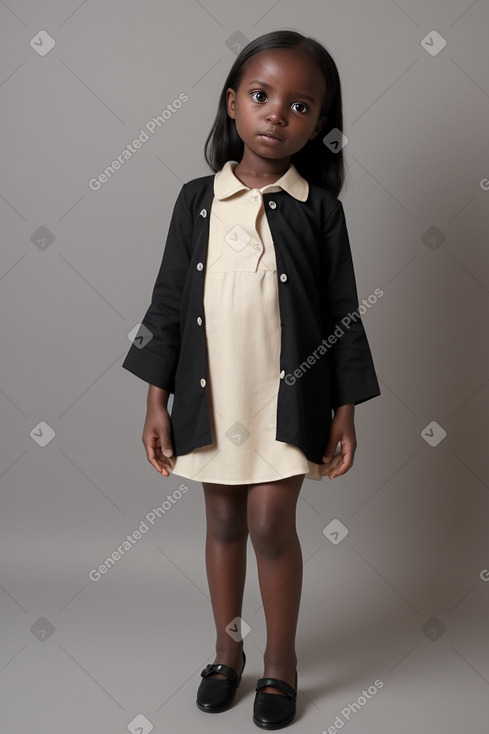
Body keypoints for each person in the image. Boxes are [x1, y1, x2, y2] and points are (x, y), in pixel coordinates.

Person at [122, 29, 381, 730]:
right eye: (261, 96)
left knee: (271, 520)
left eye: (300, 106)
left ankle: (281, 662)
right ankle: (225, 651)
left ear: (319, 127)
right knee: (223, 518)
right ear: (231, 103)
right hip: (211, 395)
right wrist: (156, 399)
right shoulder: (195, 201)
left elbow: (341, 315)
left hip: (286, 398)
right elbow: (168, 302)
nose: (276, 115)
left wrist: (345, 409)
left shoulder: (319, 212)